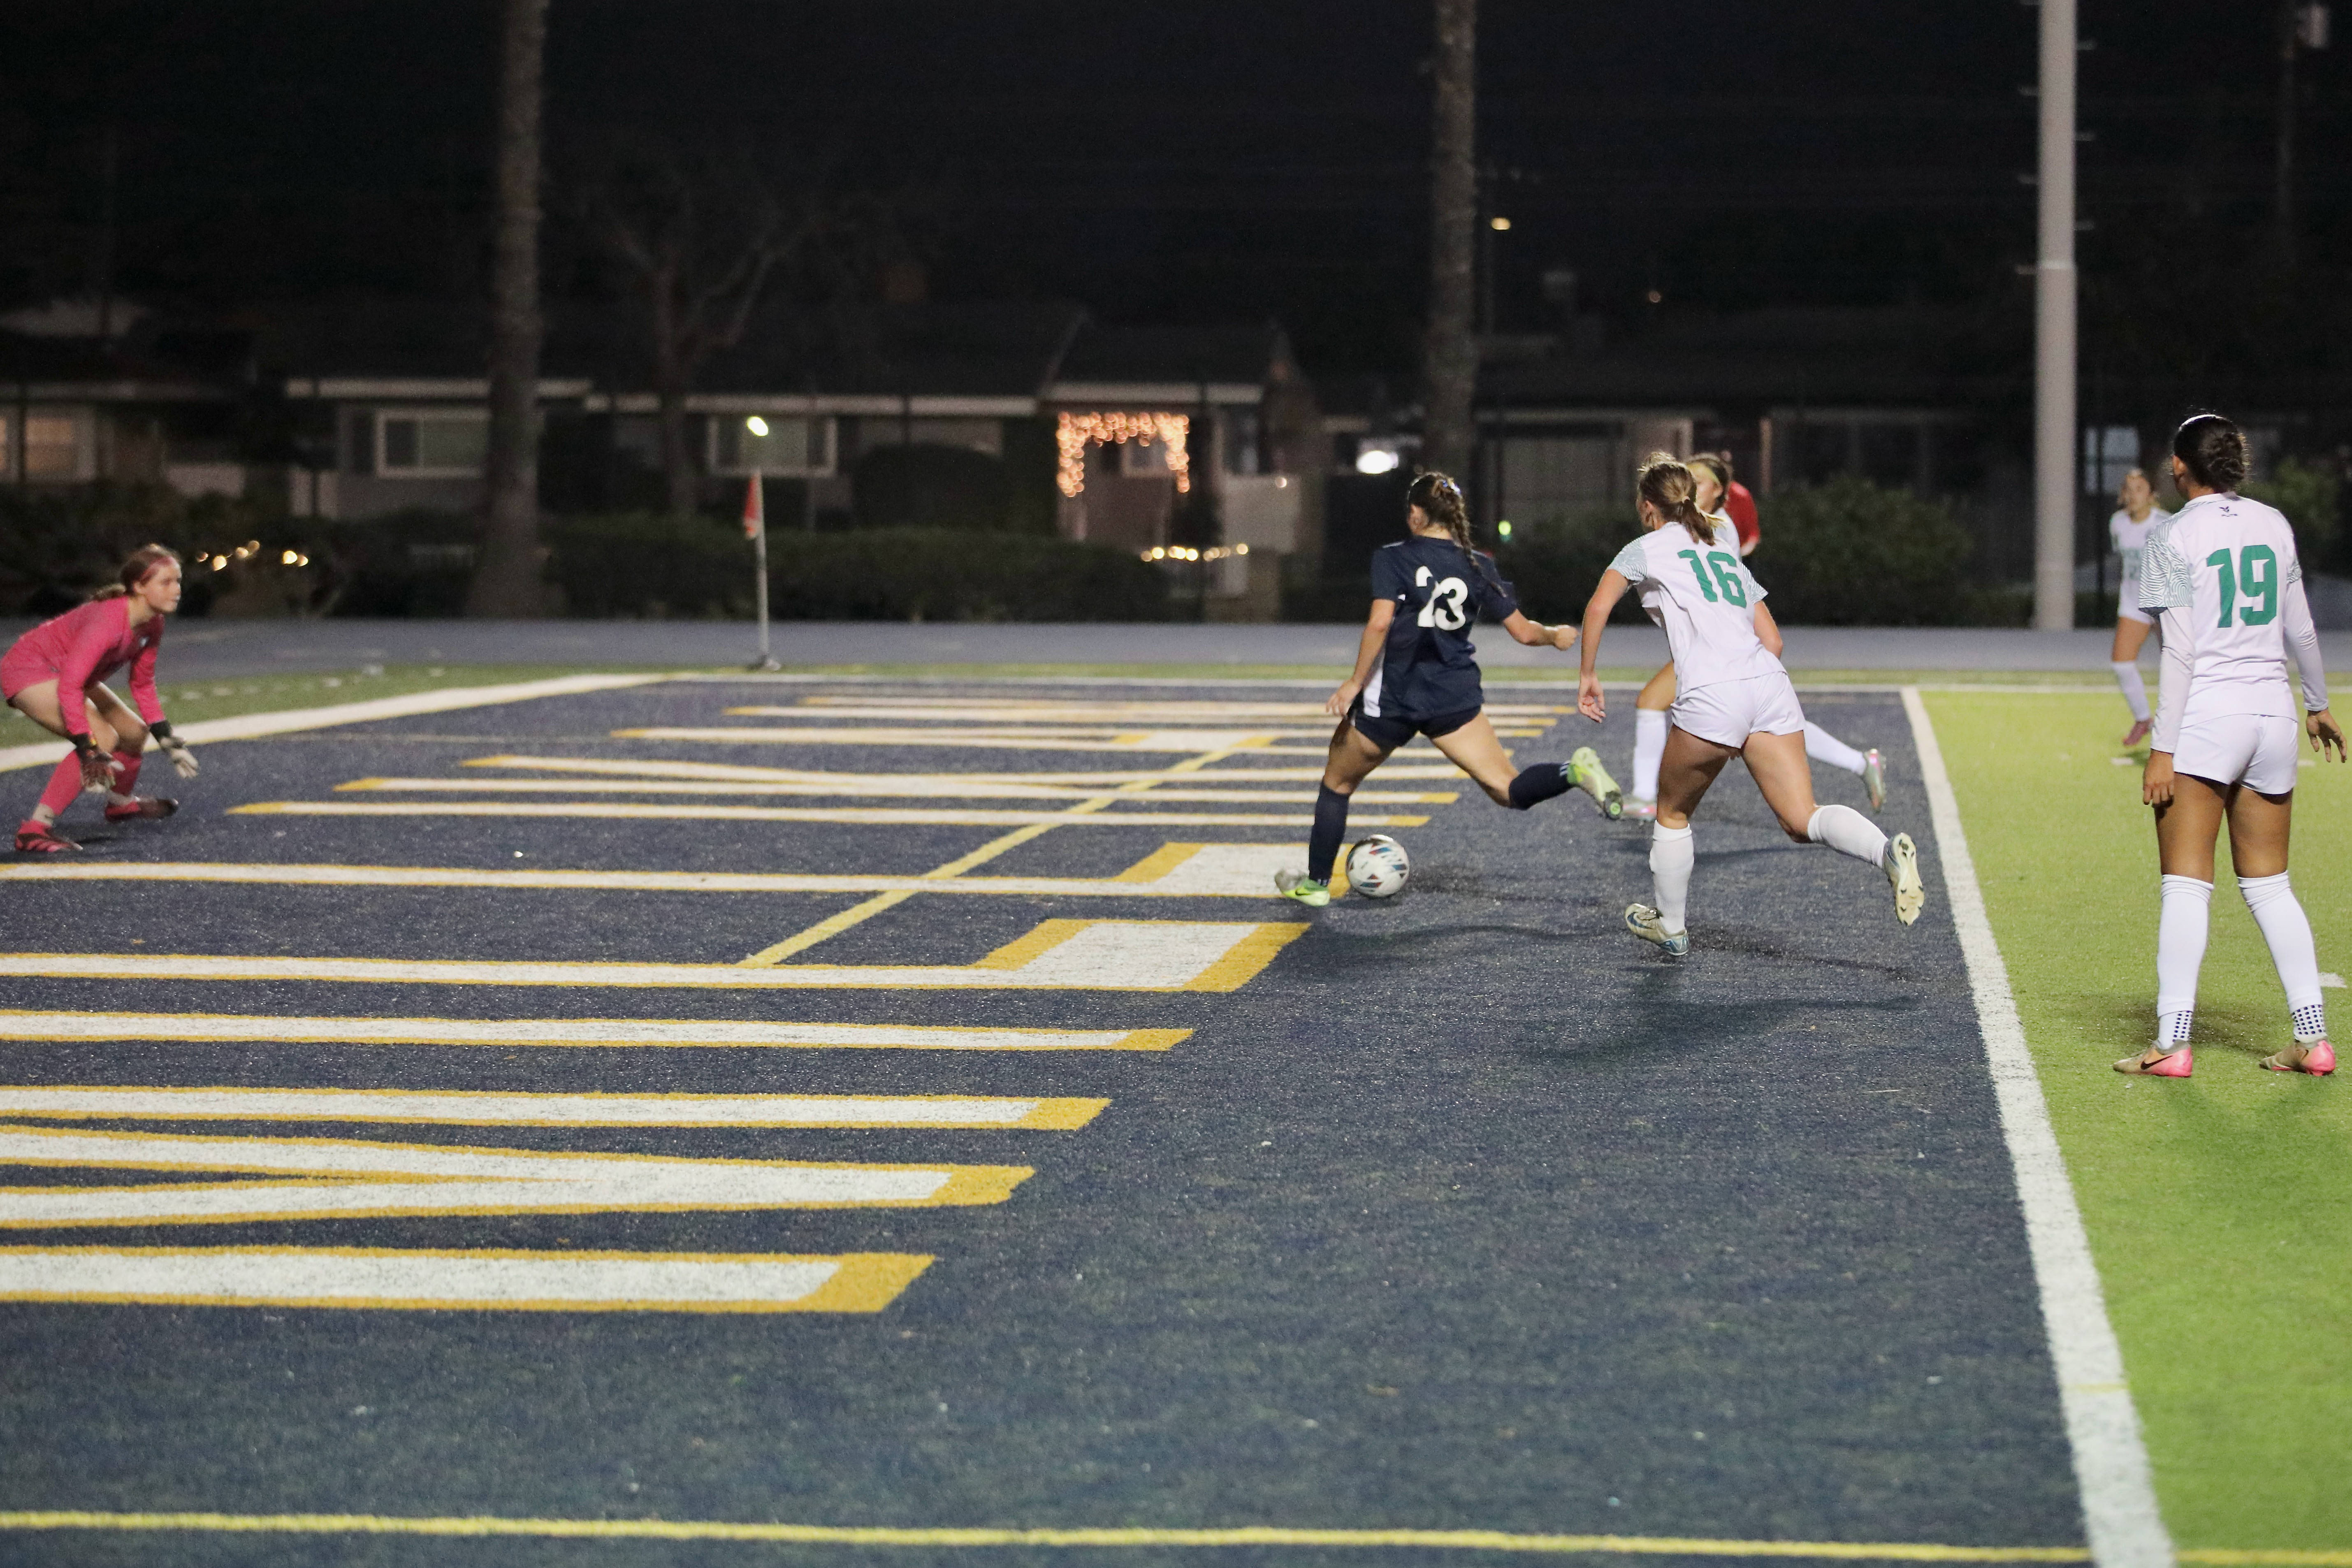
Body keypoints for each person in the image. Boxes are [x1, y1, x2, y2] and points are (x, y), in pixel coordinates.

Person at [1577, 455, 1923, 956]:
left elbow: (1597, 606)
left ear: (1648, 506)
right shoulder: (1721, 546)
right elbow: (1773, 639)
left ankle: (1671, 925)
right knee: (1801, 818)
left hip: (1713, 692)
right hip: (1768, 683)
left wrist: (1588, 675)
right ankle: (1884, 850)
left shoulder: (1643, 549)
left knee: (1671, 810)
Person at [1275, 471, 1620, 907]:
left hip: (1394, 697)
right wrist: (1553, 635)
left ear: (1416, 513)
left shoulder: (1393, 557)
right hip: (1452, 697)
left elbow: (1380, 623)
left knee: (1338, 783)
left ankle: (1317, 884)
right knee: (1507, 788)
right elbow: (1523, 632)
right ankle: (1574, 772)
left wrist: (1354, 683)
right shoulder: (1478, 565)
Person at [2116, 414, 2342, 1078]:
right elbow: (2301, 630)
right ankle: (2312, 1038)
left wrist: (2162, 747)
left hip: (2207, 719)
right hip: (2272, 715)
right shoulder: (2273, 523)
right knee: (2270, 887)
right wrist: (2317, 703)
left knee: (2185, 885)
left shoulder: (2169, 535)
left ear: (2178, 467)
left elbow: (2180, 650)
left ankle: (2170, 1044)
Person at [1621, 452, 1886, 820]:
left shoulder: (1716, 529)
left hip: (1726, 645)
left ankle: (1644, 797)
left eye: (1699, 482)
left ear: (1719, 491)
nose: (1691, 487)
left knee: (1656, 703)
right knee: (1773, 724)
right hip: (1722, 644)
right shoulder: (1696, 527)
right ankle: (1859, 762)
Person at [2, 543, 199, 853]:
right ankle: (34, 829)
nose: (177, 590)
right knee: (103, 739)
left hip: (68, 672)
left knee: (134, 732)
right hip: (31, 669)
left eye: (178, 581)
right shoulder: (108, 622)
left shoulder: (153, 621)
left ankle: (120, 805)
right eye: (166, 582)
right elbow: (70, 687)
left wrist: (164, 734)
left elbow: (142, 683)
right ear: (139, 586)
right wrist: (87, 746)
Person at [2105, 466, 2173, 748]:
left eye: (2140, 489)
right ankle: (2143, 719)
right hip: (2133, 602)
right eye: (2128, 490)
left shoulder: (2165, 523)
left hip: (2166, 604)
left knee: (2177, 668)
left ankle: (2181, 729)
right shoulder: (2118, 523)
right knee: (2122, 664)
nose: (2133, 495)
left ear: (2151, 494)